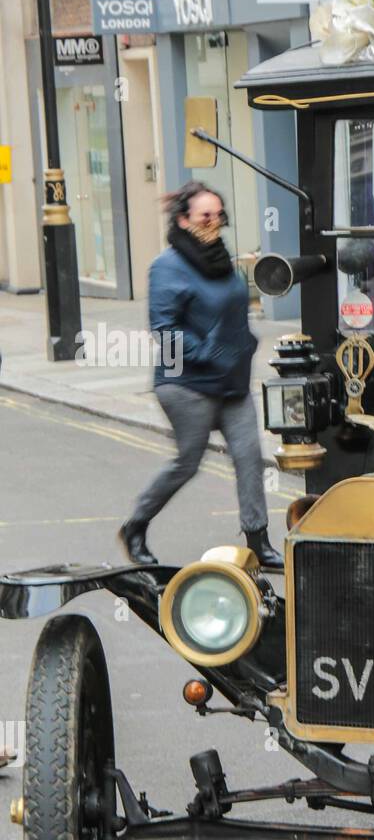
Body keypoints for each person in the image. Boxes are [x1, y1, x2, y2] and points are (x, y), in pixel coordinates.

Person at [118, 182, 283, 570]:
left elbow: (234, 311)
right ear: (183, 219)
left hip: (232, 383)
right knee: (187, 462)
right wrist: (210, 351)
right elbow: (163, 329)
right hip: (186, 384)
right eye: (204, 215)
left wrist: (245, 342)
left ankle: (258, 540)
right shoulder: (167, 266)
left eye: (218, 215)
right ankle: (135, 526)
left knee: (249, 459)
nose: (213, 222)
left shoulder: (220, 258)